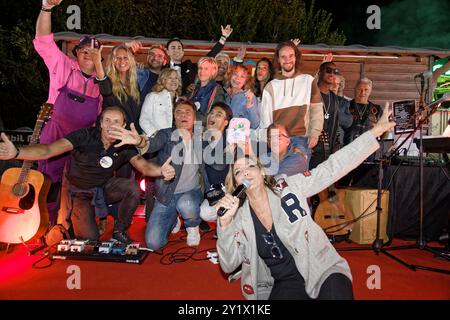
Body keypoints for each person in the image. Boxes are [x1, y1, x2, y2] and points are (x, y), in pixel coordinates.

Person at [214, 104, 395, 300]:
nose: (246, 172)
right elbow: (229, 265)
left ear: (262, 171)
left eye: (251, 165)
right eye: (238, 171)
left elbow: (332, 168)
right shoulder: (240, 217)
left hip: (321, 268)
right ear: (235, 182)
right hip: (285, 283)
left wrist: (375, 131)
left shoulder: (288, 186)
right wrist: (224, 225)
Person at [0, 107, 175, 244]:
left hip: (104, 187)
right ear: (100, 123)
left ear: (123, 125)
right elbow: (48, 149)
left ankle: (119, 231)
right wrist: (17, 152)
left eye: (116, 121)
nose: (111, 125)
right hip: (79, 192)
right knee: (90, 240)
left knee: (132, 188)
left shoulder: (125, 144)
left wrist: (161, 171)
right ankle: (73, 222)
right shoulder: (84, 136)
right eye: (107, 120)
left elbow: (143, 166)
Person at [110, 100, 209, 250]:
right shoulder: (166, 134)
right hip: (166, 194)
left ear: (194, 117)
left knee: (186, 204)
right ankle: (174, 218)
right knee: (154, 243)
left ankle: (192, 225)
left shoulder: (201, 138)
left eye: (187, 112)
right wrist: (139, 142)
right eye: (179, 112)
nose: (183, 115)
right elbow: (151, 144)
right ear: (174, 118)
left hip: (191, 192)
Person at [34, 0, 102, 185]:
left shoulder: (103, 81)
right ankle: (43, 213)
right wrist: (46, 7)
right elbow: (43, 40)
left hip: (84, 140)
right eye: (83, 51)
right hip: (55, 132)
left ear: (99, 57)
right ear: (77, 53)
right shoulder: (62, 65)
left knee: (77, 185)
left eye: (93, 52)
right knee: (47, 181)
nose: (88, 55)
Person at [259, 41, 324, 168]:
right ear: (278, 59)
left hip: (301, 140)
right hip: (278, 141)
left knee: (298, 182)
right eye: (283, 56)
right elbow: (265, 121)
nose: (287, 60)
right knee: (277, 182)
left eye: (290, 56)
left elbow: (316, 110)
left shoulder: (308, 81)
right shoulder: (270, 87)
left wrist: (315, 133)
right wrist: (268, 143)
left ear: (296, 57)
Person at [166, 25, 233, 95]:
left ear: (183, 51)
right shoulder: (162, 69)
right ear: (167, 52)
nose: (176, 50)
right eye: (173, 48)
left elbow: (209, 56)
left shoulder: (190, 66)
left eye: (179, 48)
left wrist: (223, 38)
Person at [310, 62, 352, 169]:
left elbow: (336, 125)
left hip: (327, 149)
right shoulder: (310, 93)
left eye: (335, 72)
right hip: (310, 148)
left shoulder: (334, 98)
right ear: (319, 73)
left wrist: (335, 147)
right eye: (328, 70)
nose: (332, 74)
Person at [91, 45, 142, 133]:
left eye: (125, 57)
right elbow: (106, 90)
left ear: (130, 60)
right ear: (112, 61)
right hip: (112, 134)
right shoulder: (108, 80)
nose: (122, 61)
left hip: (132, 134)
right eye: (117, 58)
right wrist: (97, 63)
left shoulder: (134, 84)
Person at [139, 68, 182, 137]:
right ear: (163, 80)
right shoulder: (153, 96)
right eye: (170, 78)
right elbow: (144, 120)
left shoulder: (180, 101)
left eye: (176, 78)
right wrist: (156, 135)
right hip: (156, 140)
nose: (173, 81)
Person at [344, 78, 382, 146]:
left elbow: (383, 132)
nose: (362, 92)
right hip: (348, 148)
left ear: (370, 91)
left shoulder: (377, 109)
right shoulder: (345, 106)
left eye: (366, 90)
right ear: (355, 89)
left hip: (368, 149)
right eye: (359, 89)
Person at [190, 57, 226, 124]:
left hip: (204, 130)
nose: (202, 71)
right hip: (192, 128)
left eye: (206, 69)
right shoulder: (196, 88)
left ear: (213, 71)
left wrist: (191, 118)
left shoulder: (217, 90)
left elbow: (216, 117)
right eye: (200, 68)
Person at [225, 65, 260, 129]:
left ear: (246, 81)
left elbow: (255, 124)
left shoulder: (249, 97)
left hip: (240, 137)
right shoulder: (225, 96)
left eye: (242, 77)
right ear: (230, 76)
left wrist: (249, 103)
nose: (238, 78)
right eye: (235, 74)